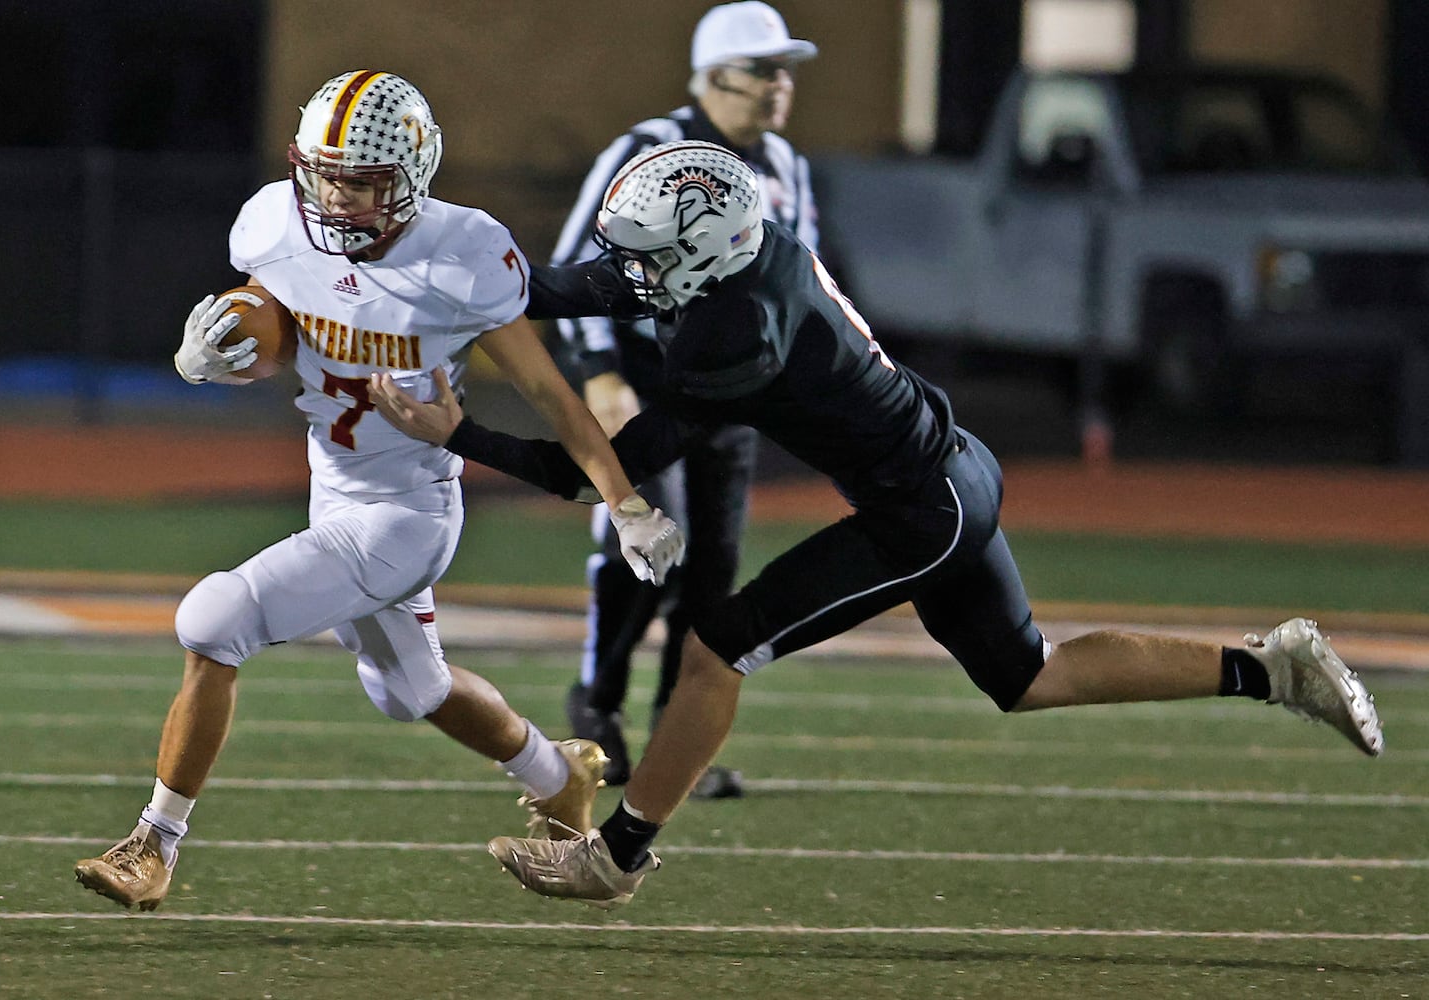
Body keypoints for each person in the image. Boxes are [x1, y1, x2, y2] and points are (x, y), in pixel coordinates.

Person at [366, 139, 1386, 909]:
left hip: (918, 509)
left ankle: (616, 856)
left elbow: (588, 472)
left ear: (700, 251)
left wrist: (463, 434)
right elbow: (610, 281)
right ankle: (1271, 667)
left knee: (717, 646)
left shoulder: (730, 339)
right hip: (947, 471)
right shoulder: (741, 261)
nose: (629, 272)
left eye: (647, 258)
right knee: (1027, 675)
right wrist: (479, 267)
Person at [72, 70, 684, 912]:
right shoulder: (275, 223)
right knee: (410, 691)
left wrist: (627, 505)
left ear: (412, 176)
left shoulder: (464, 254)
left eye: (361, 181)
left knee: (213, 620)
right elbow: (282, 328)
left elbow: (553, 395)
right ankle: (559, 774)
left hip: (407, 513)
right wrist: (211, 356)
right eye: (324, 174)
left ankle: (155, 843)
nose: (336, 197)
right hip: (335, 490)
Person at [550, 1, 819, 796]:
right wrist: (601, 374)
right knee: (647, 554)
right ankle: (594, 715)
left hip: (735, 401)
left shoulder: (786, 164)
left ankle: (677, 743)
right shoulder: (646, 150)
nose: (779, 87)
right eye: (763, 70)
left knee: (714, 575)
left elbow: (803, 279)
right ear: (711, 77)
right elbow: (573, 263)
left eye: (786, 72)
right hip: (650, 392)